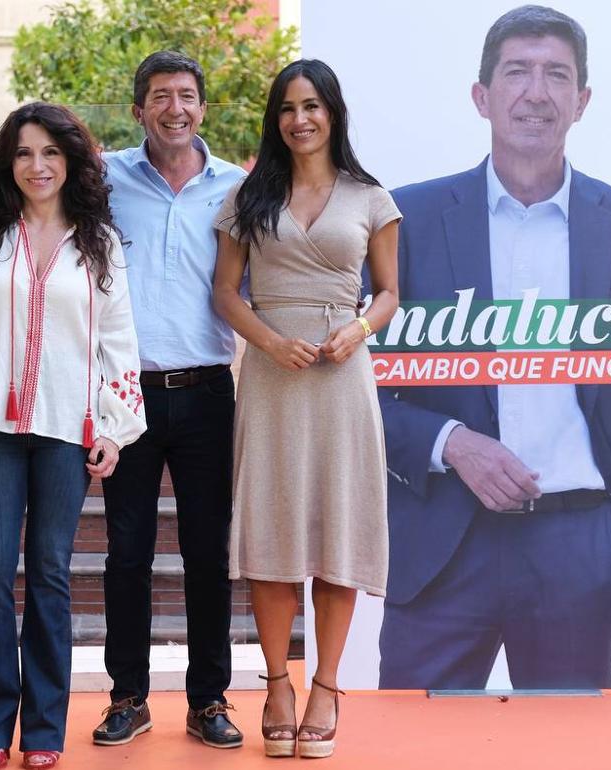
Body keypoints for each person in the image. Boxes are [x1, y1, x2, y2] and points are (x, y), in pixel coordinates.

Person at [376, 5, 611, 691]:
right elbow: (356, 397)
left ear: (582, 101)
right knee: (415, 741)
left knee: (569, 745)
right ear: (481, 96)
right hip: (441, 547)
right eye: (517, 71)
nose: (536, 92)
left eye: (557, 75)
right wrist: (451, 442)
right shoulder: (409, 220)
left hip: (579, 549)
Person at [0, 102, 145, 770]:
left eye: (51, 152)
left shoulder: (99, 242)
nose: (37, 165)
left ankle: (45, 729)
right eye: (24, 152)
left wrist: (115, 426)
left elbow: (118, 339)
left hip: (66, 432)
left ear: (71, 161)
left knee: (50, 575)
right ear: (7, 162)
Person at [213, 60, 400, 759]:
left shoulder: (371, 197)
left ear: (333, 113)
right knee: (273, 529)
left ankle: (326, 686)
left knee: (338, 529)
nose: (301, 119)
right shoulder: (248, 196)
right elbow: (225, 292)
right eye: (289, 108)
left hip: (343, 376)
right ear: (276, 118)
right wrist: (267, 342)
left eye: (313, 106)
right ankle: (277, 685)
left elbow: (389, 291)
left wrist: (360, 328)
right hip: (272, 377)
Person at [92, 50, 247, 752]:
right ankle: (128, 696)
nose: (174, 108)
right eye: (160, 96)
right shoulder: (104, 180)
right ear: (138, 110)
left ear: (203, 108)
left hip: (208, 392)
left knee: (207, 553)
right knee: (126, 554)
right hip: (127, 396)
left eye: (186, 95)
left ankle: (209, 699)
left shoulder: (237, 188)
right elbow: (20, 208)